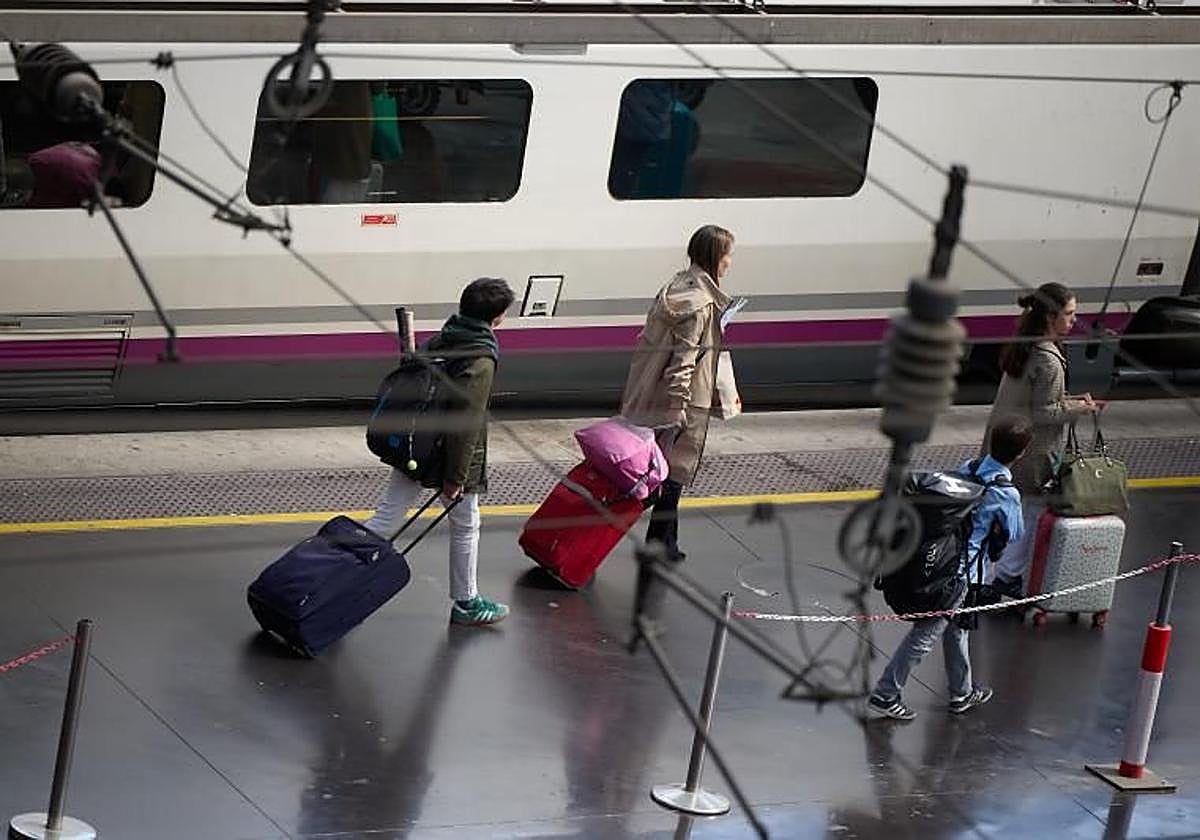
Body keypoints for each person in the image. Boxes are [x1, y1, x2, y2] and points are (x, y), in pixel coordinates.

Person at [364, 277, 515, 626]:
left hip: (416, 444)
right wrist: (455, 479)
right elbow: (465, 424)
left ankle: (333, 570)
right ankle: (466, 602)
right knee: (466, 525)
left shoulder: (444, 337)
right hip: (444, 456)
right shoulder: (480, 360)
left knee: (386, 518)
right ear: (497, 318)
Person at [868, 416, 1033, 721]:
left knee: (956, 630)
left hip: (942, 561)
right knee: (926, 634)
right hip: (959, 574)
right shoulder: (1006, 493)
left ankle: (962, 691)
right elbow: (1015, 533)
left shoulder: (969, 467)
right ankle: (886, 693)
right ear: (1021, 454)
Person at [620, 224, 735, 615]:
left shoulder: (677, 285)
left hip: (651, 393)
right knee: (669, 475)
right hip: (683, 402)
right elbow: (686, 361)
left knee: (668, 475)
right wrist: (677, 409)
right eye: (728, 255)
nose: (731, 262)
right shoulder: (701, 303)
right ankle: (657, 543)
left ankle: (665, 541)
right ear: (716, 257)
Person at [983, 283, 1098, 598]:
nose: (1074, 321)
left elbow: (1036, 400)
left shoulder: (1026, 345)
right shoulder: (1048, 358)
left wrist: (1070, 401)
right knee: (1026, 514)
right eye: (1070, 314)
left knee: (997, 512)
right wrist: (1080, 408)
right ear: (1051, 316)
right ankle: (1006, 576)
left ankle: (988, 575)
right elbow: (1046, 412)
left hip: (1004, 443)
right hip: (1030, 451)